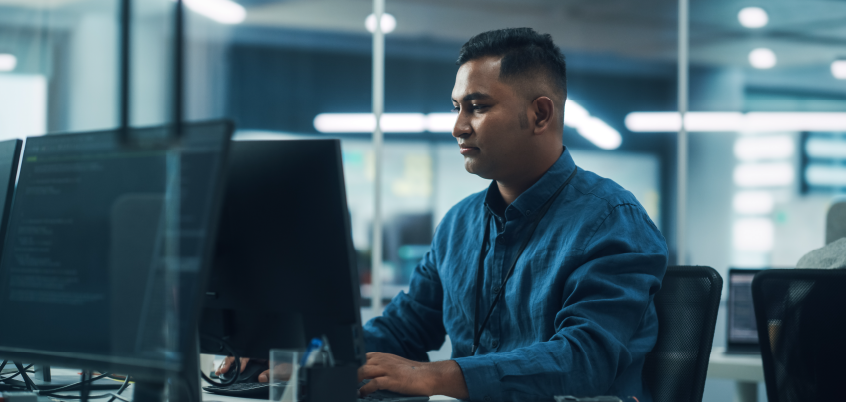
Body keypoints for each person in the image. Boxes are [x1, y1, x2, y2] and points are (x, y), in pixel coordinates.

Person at [219, 27, 668, 402]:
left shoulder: (611, 220)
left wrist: (434, 376)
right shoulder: (460, 224)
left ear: (540, 114)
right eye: (457, 107)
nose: (458, 127)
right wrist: (302, 357)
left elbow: (583, 360)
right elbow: (406, 327)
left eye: (478, 106)